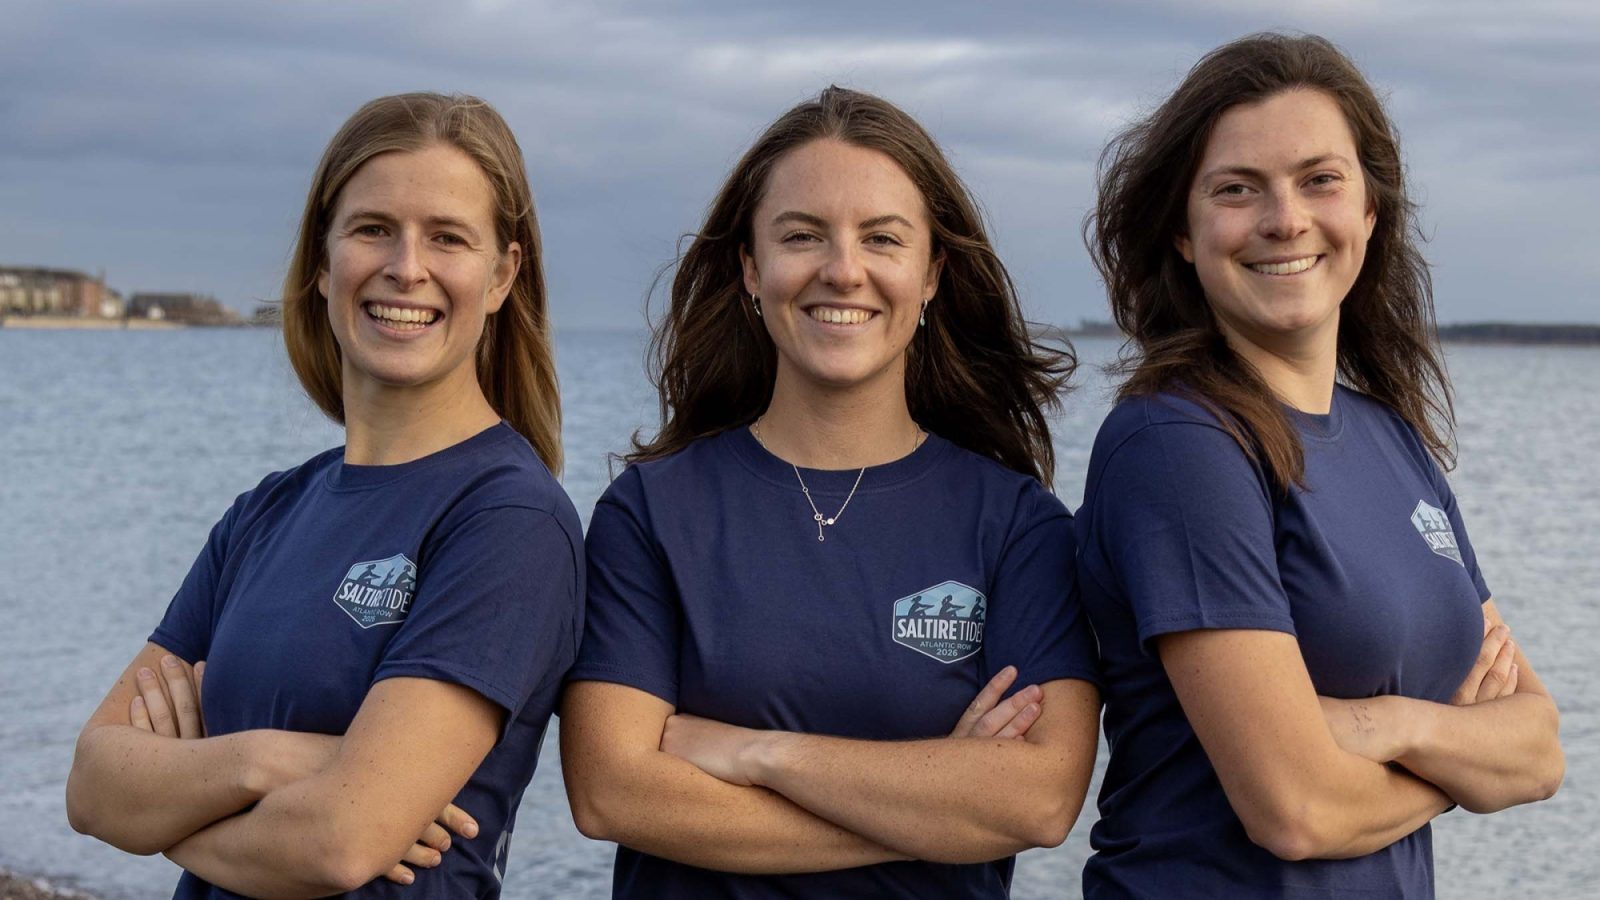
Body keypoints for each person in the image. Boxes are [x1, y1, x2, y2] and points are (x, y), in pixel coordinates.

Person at [560, 86, 1101, 898]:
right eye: (803, 235)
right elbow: (612, 792)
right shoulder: (651, 513)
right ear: (751, 266)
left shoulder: (1018, 526)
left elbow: (1039, 801)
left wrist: (757, 754)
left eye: (882, 238)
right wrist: (933, 803)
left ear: (930, 276)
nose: (843, 270)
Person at [1077, 33, 1563, 897]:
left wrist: (1385, 725)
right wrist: (1459, 758)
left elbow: (1538, 751)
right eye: (1237, 189)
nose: (1285, 219)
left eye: (1320, 180)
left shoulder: (1391, 437)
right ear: (1183, 235)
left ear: (1370, 212)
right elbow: (1297, 809)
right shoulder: (1179, 445)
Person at [65, 92, 583, 897]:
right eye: (373, 228)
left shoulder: (509, 520)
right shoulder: (267, 511)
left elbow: (338, 844)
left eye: (447, 237)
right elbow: (94, 788)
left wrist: (168, 810)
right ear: (322, 259)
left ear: (501, 275)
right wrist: (270, 758)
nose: (406, 267)